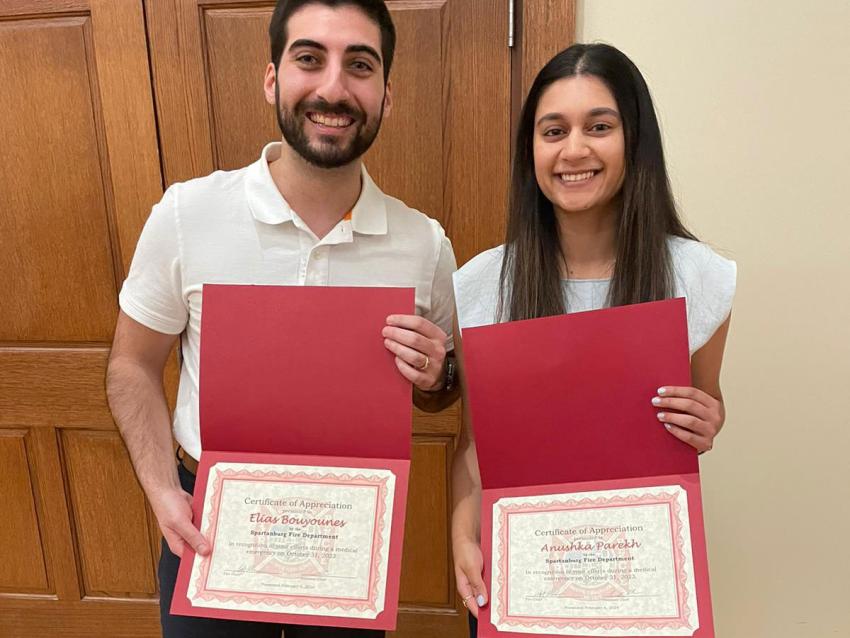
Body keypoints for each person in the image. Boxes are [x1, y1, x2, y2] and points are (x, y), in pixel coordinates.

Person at [105, 1, 458, 636]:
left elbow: (438, 393)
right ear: (273, 78)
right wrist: (162, 490)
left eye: (359, 65)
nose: (333, 87)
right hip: (212, 521)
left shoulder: (424, 244)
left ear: (386, 94)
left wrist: (436, 378)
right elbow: (131, 365)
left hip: (350, 531)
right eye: (309, 59)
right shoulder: (188, 214)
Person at [449, 43, 736, 635]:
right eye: (553, 130)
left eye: (598, 127)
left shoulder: (698, 277)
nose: (573, 149)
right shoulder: (482, 287)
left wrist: (707, 420)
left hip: (640, 572)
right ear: (530, 148)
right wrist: (461, 531)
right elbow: (477, 449)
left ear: (634, 140)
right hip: (521, 567)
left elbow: (708, 405)